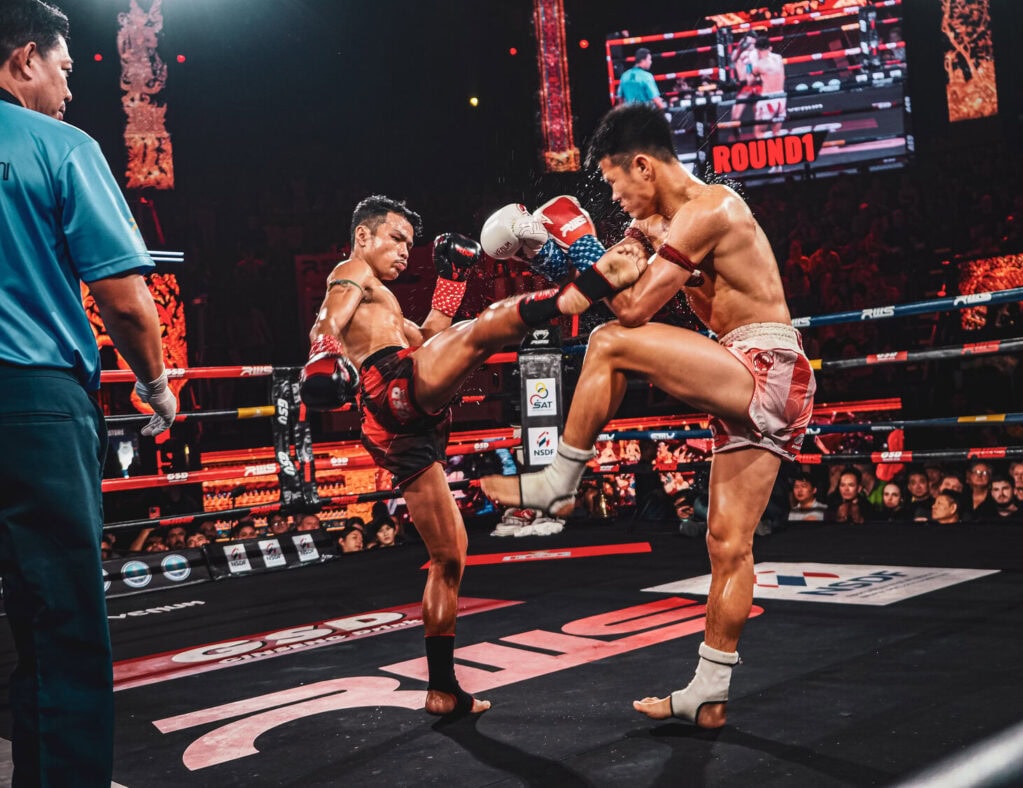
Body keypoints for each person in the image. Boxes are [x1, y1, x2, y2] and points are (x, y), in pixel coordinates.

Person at [480, 102, 817, 730]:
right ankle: (709, 693)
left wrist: (574, 240)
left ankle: (558, 482)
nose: (612, 194)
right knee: (727, 546)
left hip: (765, 363)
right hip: (752, 377)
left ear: (643, 165)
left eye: (613, 180)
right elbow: (604, 280)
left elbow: (630, 310)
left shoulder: (710, 209)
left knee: (611, 343)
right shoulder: (655, 226)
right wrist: (541, 251)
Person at [300, 194, 633, 716]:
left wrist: (450, 282)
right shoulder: (352, 272)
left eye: (411, 243)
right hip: (392, 389)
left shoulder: (386, 305)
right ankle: (583, 289)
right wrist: (321, 354)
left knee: (450, 555)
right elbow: (327, 319)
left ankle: (441, 688)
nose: (406, 251)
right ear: (362, 237)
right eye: (395, 238)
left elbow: (430, 341)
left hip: (408, 423)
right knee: (480, 331)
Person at [0, 2, 177, 783]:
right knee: (61, 623)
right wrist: (158, 383)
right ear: (24, 59)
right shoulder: (58, 145)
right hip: (33, 403)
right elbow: (129, 299)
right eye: (66, 70)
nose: (70, 91)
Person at [751, 36, 786, 138]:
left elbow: (751, 75)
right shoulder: (779, 58)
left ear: (757, 50)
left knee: (759, 132)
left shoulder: (758, 64)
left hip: (767, 99)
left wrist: (751, 61)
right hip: (781, 97)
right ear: (769, 48)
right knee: (776, 132)